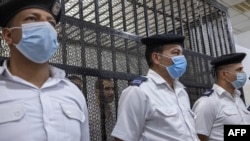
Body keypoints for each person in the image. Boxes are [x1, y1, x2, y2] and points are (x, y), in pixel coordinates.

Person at [0, 0, 89, 141]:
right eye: (32, 18)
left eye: (51, 23)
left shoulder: (73, 93)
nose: (45, 27)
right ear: (8, 35)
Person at [111, 34, 200, 141]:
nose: (182, 59)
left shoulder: (181, 91)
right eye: (176, 53)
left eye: (182, 54)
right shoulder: (138, 92)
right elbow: (123, 138)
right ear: (156, 58)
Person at [192, 53, 250, 141]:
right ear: (224, 74)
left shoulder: (238, 100)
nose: (243, 73)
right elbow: (198, 137)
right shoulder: (207, 102)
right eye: (239, 70)